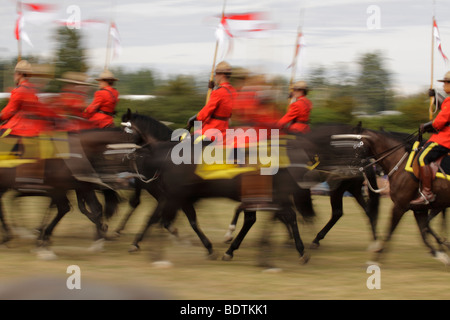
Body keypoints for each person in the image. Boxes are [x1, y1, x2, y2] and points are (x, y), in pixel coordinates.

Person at [410, 71, 450, 205]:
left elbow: (439, 122)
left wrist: (425, 126)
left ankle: (427, 193)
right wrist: (435, 95)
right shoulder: (448, 101)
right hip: (444, 138)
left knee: (421, 158)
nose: (444, 85)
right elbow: (444, 106)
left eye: (445, 83)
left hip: (444, 139)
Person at [0, 60, 52, 137]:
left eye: (15, 73)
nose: (14, 75)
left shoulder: (19, 90)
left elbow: (9, 111)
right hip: (31, 129)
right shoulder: (32, 90)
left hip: (17, 128)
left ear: (20, 74)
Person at [187, 61, 236, 142]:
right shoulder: (233, 91)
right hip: (225, 128)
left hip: (213, 130)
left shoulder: (218, 92)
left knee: (188, 143)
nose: (215, 76)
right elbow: (223, 103)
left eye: (216, 74)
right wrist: (214, 88)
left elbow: (206, 111)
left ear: (222, 75)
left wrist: (194, 119)